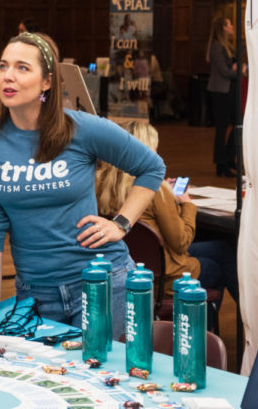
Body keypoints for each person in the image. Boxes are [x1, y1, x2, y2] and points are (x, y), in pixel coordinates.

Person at [0, 32, 165, 338]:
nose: (9, 76)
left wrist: (122, 224)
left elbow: (152, 167)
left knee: (101, 381)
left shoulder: (81, 128)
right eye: (4, 66)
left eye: (22, 68)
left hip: (103, 283)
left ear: (47, 82)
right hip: (36, 292)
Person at [95, 120, 239, 324]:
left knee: (222, 249)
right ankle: (205, 328)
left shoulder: (100, 184)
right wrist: (185, 203)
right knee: (217, 265)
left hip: (128, 268)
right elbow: (181, 243)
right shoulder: (154, 191)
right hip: (165, 279)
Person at [206, 15, 242, 177]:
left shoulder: (228, 46)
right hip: (221, 92)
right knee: (221, 128)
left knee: (238, 124)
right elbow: (225, 72)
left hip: (230, 90)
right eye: (229, 24)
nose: (232, 26)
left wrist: (237, 68)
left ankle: (229, 159)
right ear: (223, 28)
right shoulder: (216, 47)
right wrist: (238, 71)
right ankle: (221, 165)